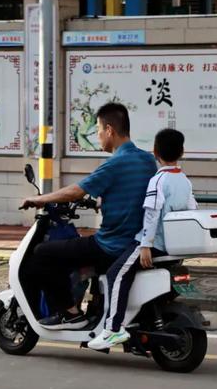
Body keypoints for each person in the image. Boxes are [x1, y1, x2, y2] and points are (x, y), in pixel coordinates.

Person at [20, 103, 157, 330]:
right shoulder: (147, 160)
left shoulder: (114, 164)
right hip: (136, 242)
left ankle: (70, 313)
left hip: (112, 245)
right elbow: (131, 192)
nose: (98, 136)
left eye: (98, 131)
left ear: (110, 130)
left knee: (43, 252)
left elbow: (76, 191)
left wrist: (40, 199)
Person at [88, 128, 198, 350]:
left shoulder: (158, 180)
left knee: (115, 274)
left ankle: (112, 330)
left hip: (152, 243)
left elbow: (151, 214)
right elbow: (192, 209)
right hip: (171, 246)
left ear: (155, 152)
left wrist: (146, 245)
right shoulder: (184, 181)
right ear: (182, 152)